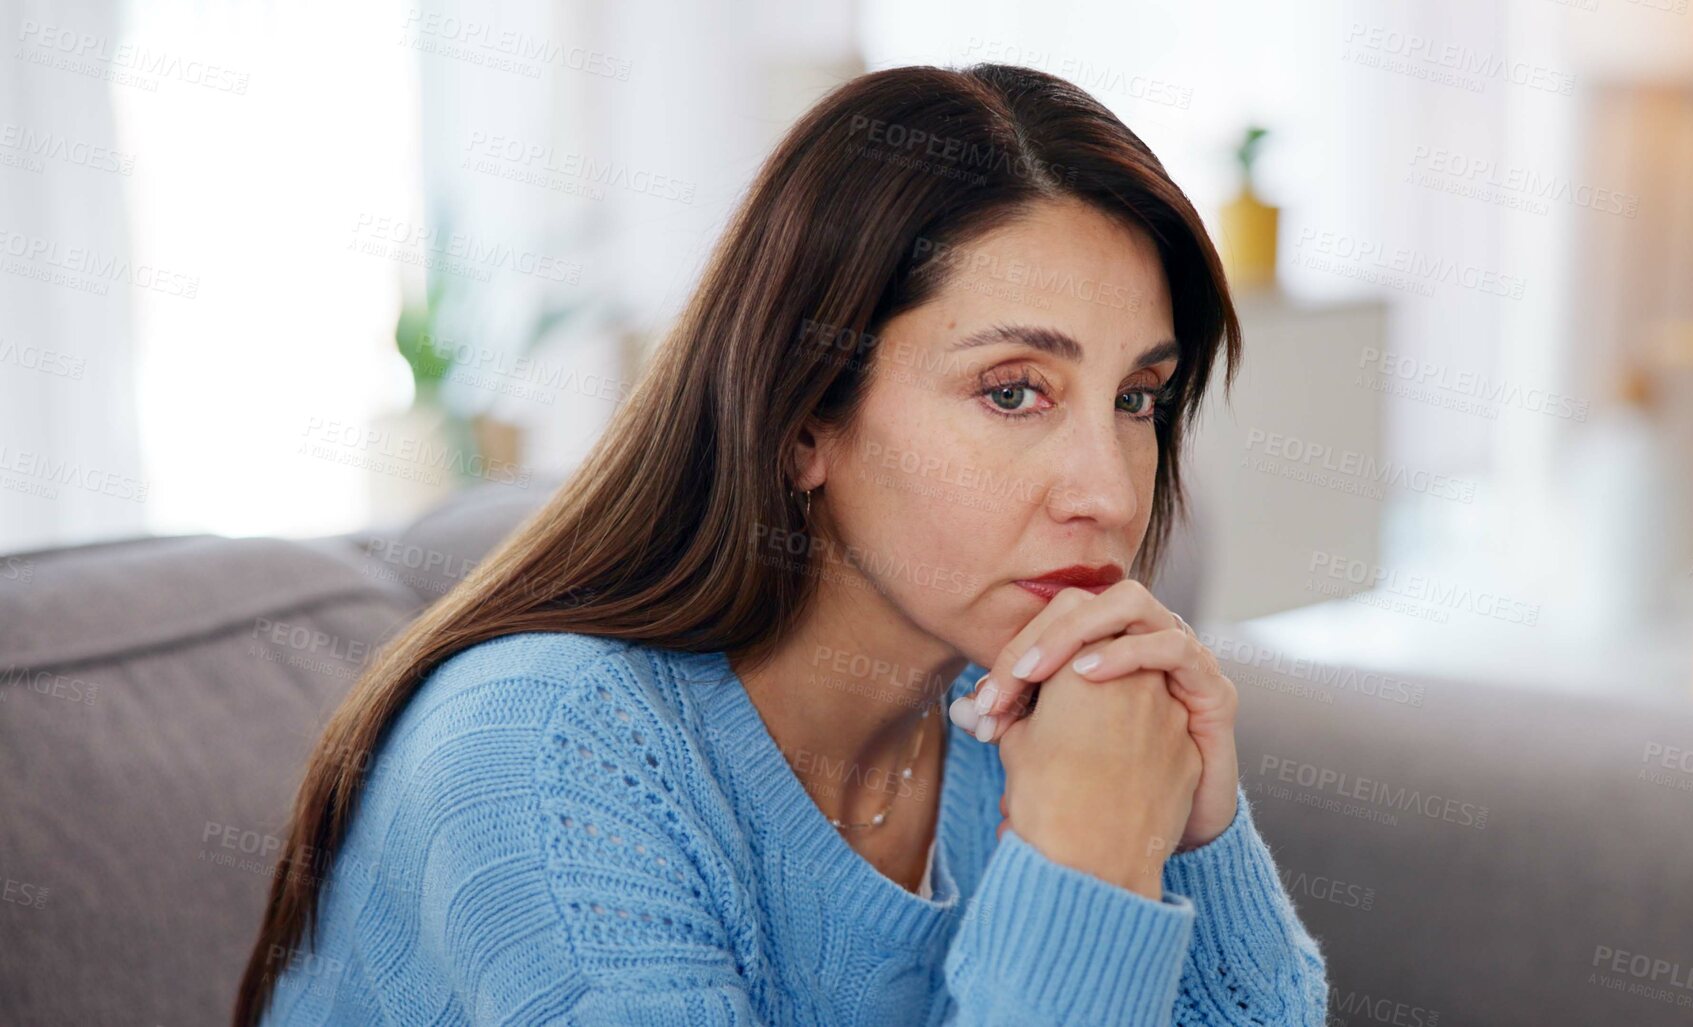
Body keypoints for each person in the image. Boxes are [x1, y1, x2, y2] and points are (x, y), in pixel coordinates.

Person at [236, 62, 1328, 1026]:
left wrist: (1194, 834)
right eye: (1012, 391)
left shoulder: (1029, 707)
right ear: (807, 421)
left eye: (1139, 397)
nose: (1107, 491)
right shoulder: (546, 759)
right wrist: (1084, 861)